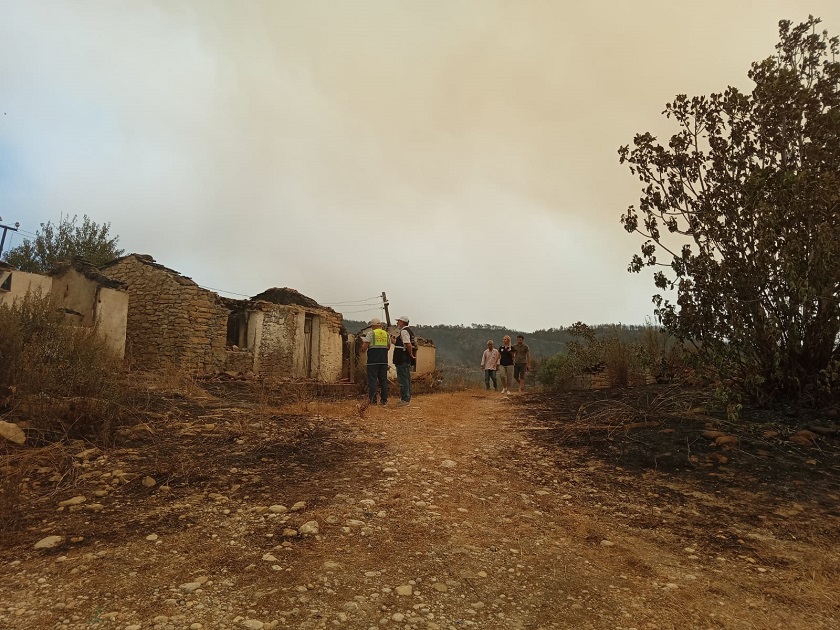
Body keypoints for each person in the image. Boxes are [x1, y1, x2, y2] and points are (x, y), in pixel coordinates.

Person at [360, 318, 390, 405]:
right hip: (384, 361)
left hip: (373, 361)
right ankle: (384, 401)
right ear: (380, 325)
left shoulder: (371, 333)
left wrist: (362, 349)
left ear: (373, 326)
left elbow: (365, 346)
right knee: (383, 380)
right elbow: (388, 347)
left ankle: (373, 401)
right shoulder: (386, 334)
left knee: (372, 380)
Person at [392, 315, 415, 406]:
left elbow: (408, 345)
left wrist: (410, 354)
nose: (397, 323)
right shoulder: (410, 331)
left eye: (399, 321)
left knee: (403, 379)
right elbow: (403, 344)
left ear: (402, 322)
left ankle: (405, 399)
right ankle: (407, 398)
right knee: (406, 378)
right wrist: (393, 341)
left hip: (402, 358)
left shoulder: (404, 331)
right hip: (405, 358)